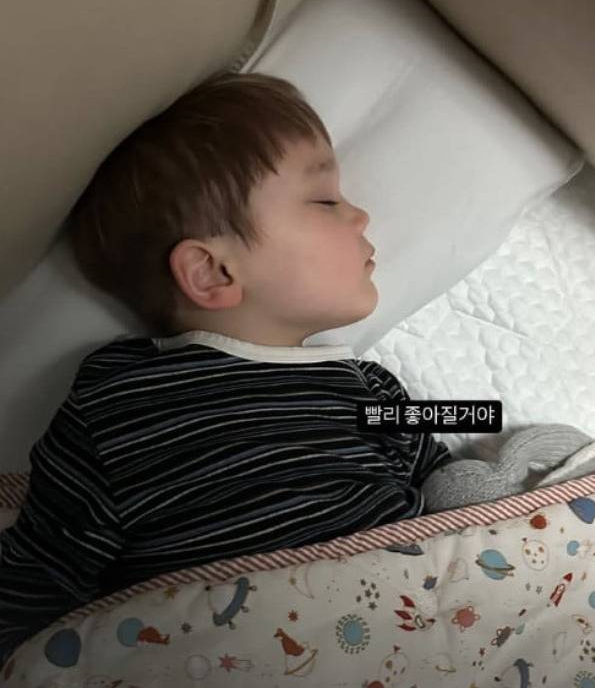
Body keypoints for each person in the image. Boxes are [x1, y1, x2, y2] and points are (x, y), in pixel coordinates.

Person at [0, 70, 452, 668]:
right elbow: (44, 566)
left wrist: (518, 457)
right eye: (325, 201)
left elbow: (453, 467)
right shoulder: (120, 401)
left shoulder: (367, 390)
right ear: (213, 272)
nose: (362, 216)